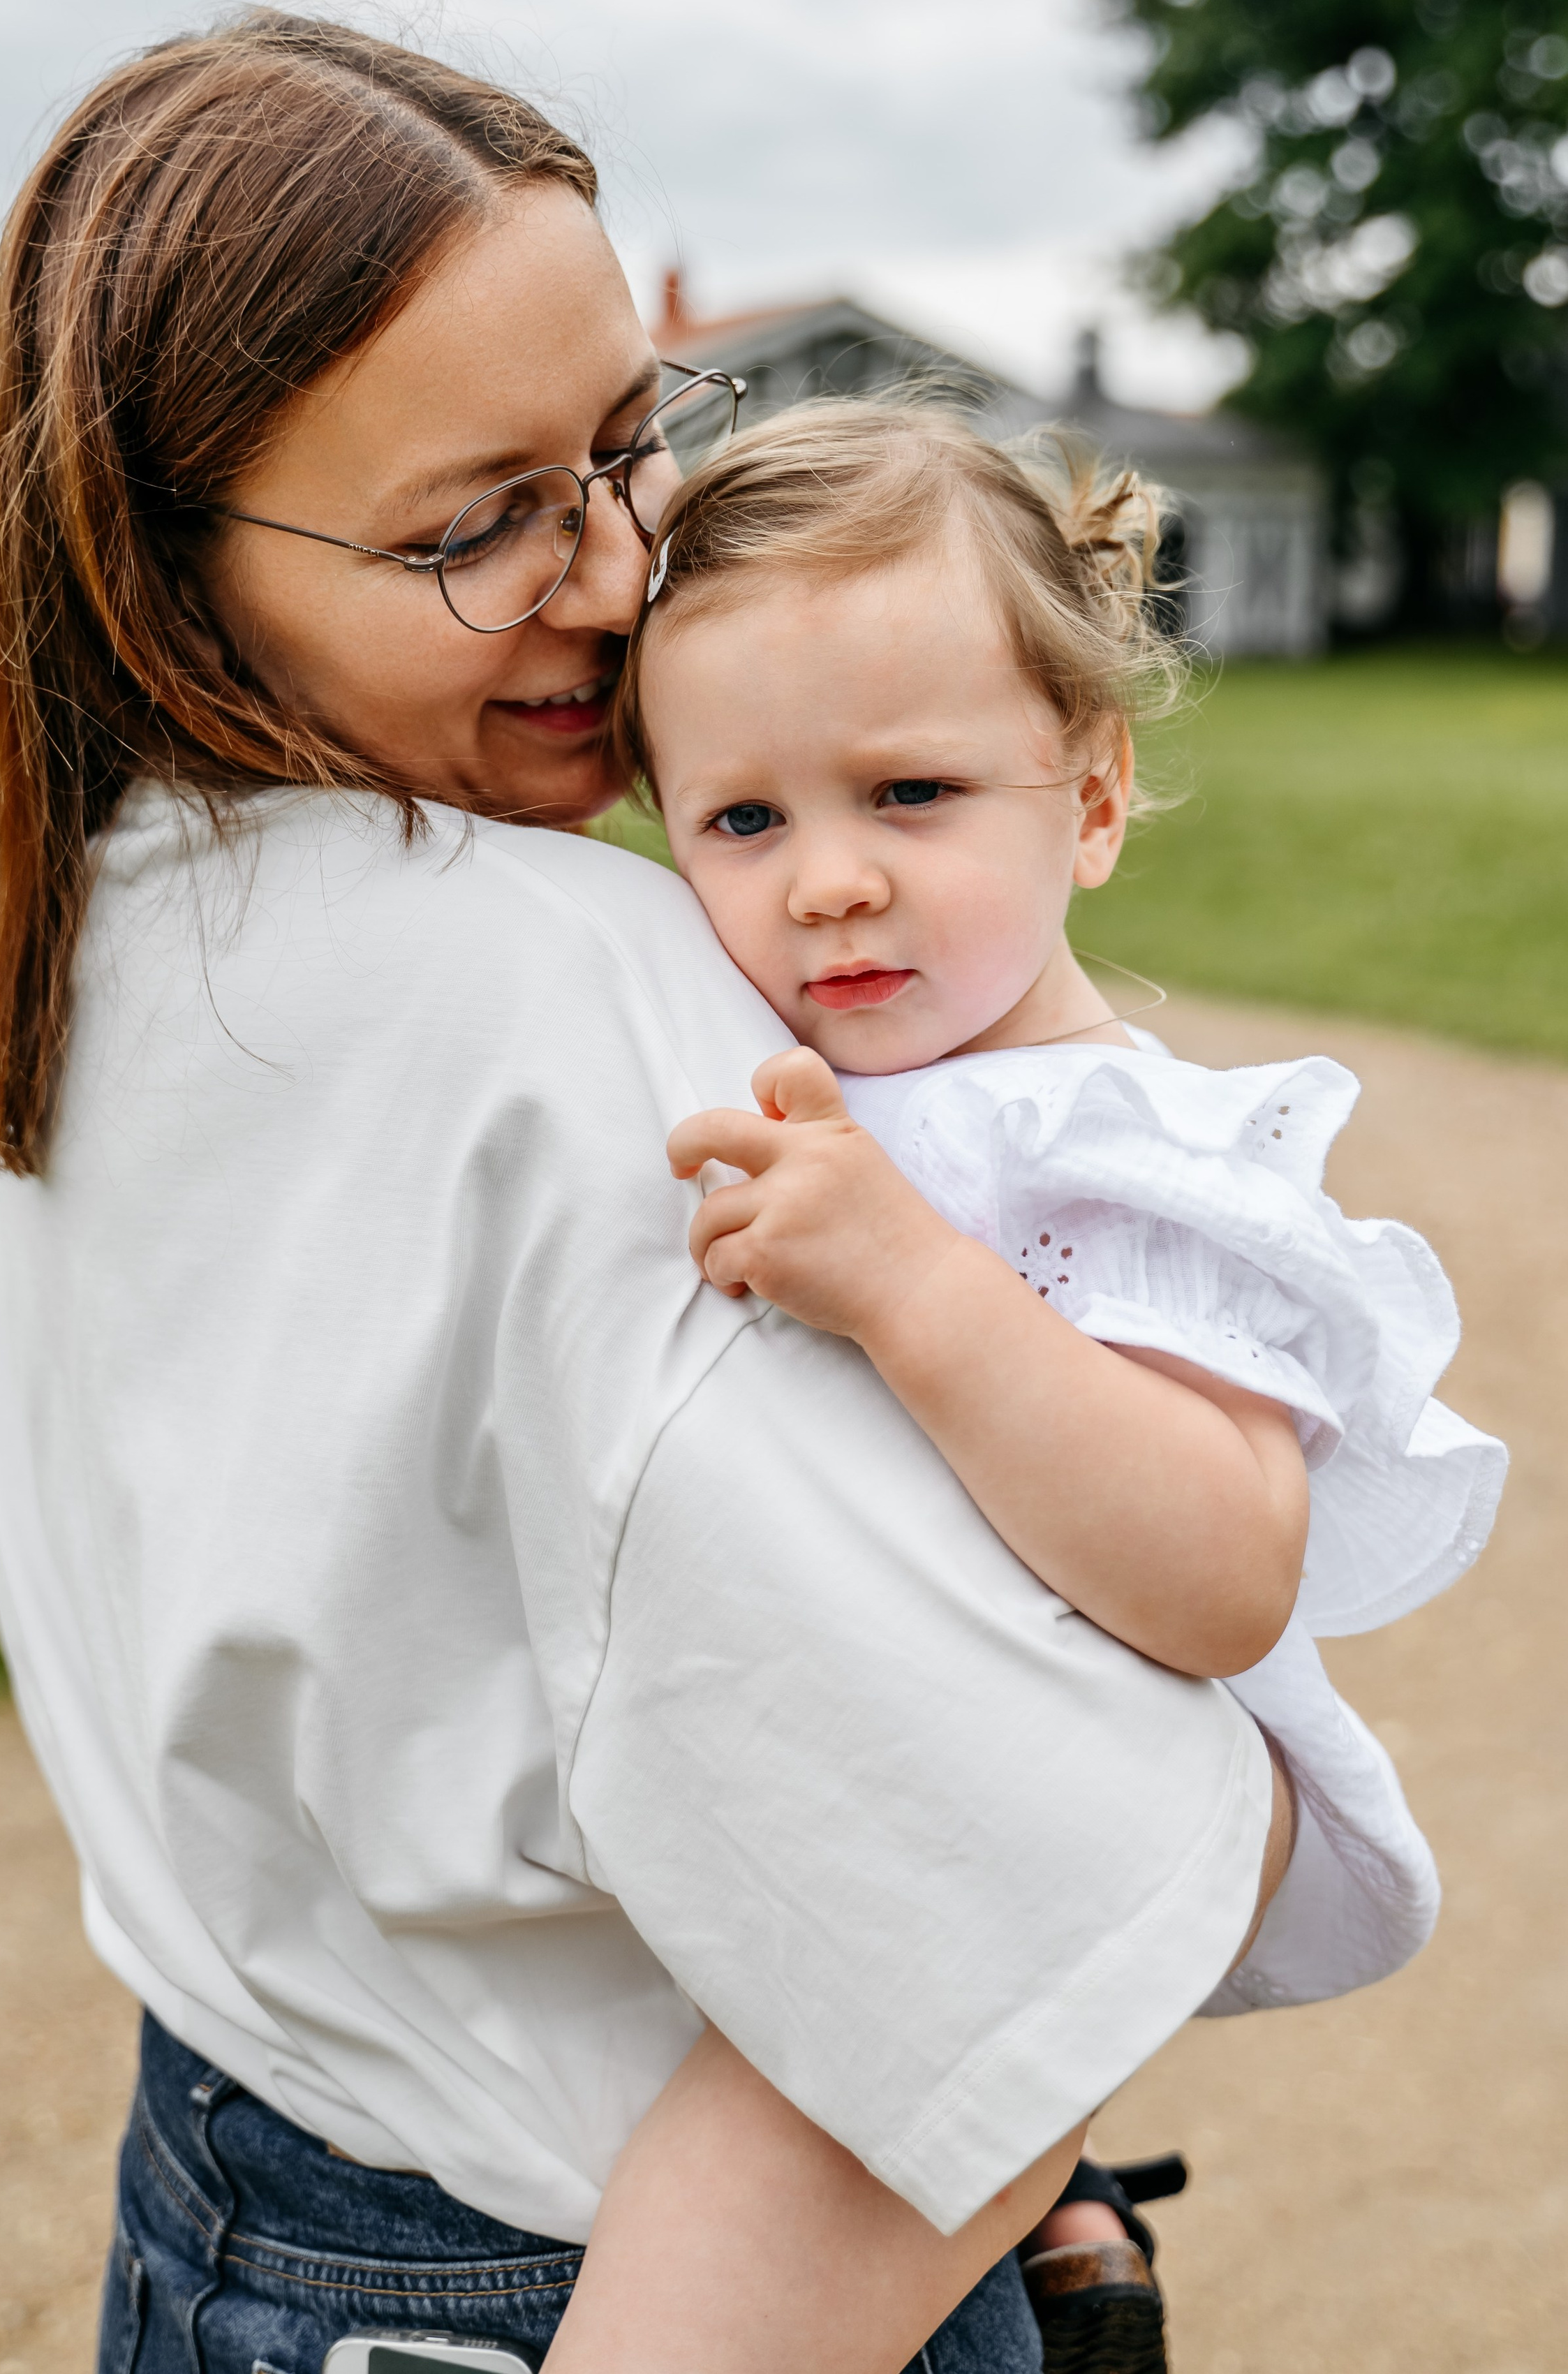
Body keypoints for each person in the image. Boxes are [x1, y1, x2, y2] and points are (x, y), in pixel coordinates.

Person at [0, 10, 1300, 2374]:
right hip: (582, 2276)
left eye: (623, 447)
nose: (606, 578)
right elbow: (1015, 1850)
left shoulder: (84, 923)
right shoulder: (580, 997)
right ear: (165, 568)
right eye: (475, 526)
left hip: (224, 2204)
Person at [614, 396, 1509, 2364]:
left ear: (1091, 801)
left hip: (1003, 1875)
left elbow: (1220, 1573)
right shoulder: (823, 1063)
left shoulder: (1112, 1154)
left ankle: (1052, 2182)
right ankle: (1069, 2193)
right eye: (745, 819)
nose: (827, 880)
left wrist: (917, 1291)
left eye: (911, 794)